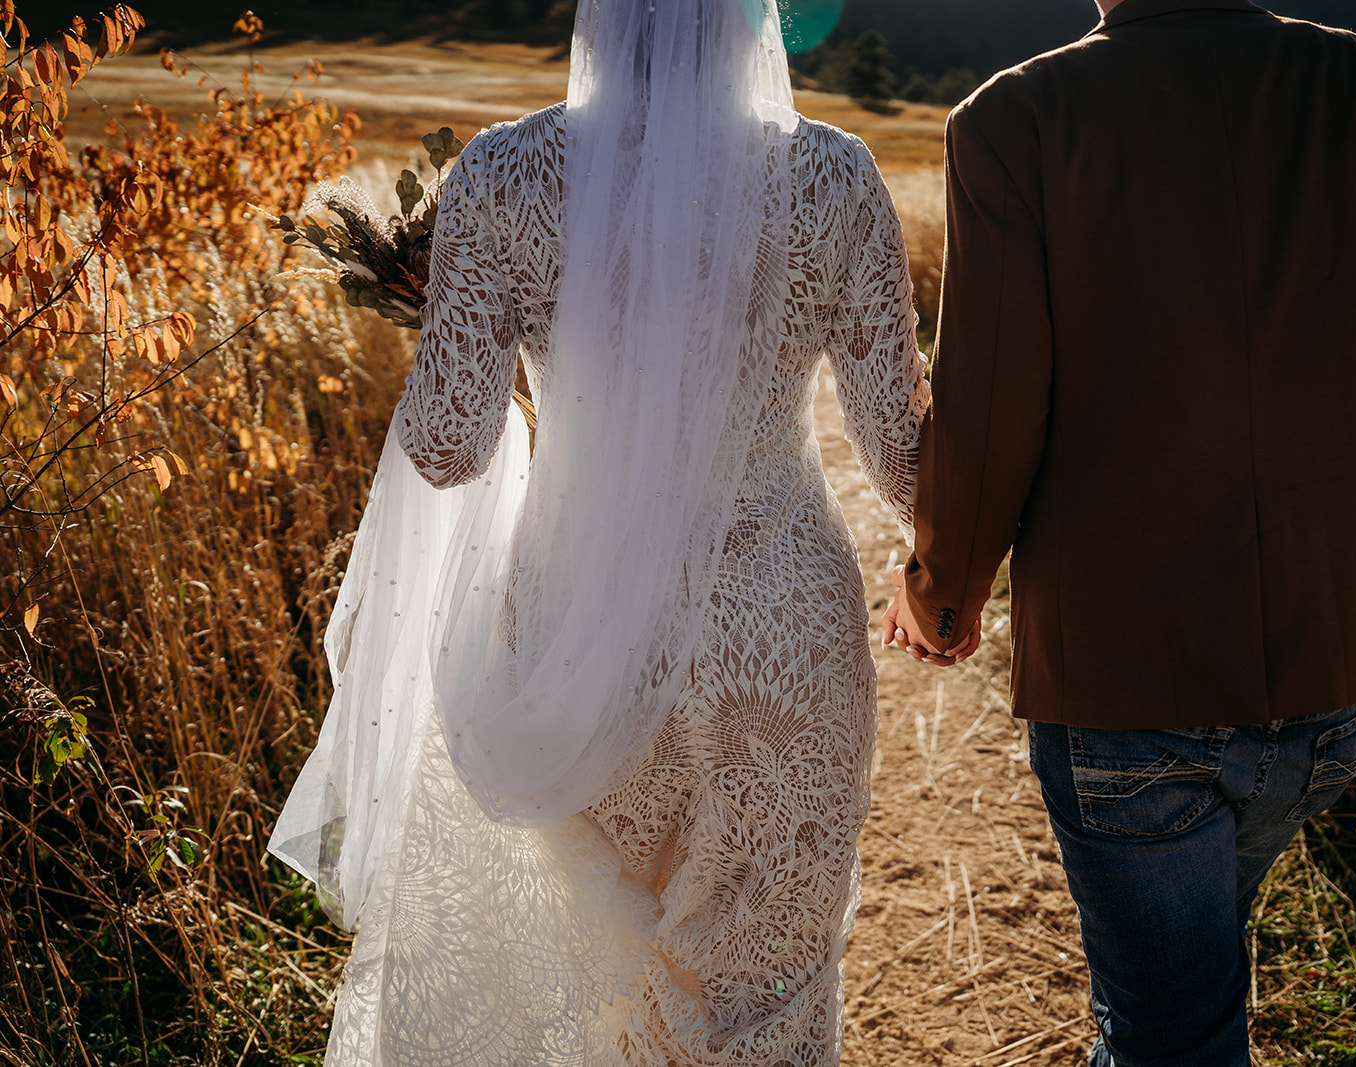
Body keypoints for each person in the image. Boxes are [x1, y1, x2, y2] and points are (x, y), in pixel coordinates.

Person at [881, 0, 1356, 1063]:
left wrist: (941, 592)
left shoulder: (1015, 117)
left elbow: (992, 407)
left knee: (1170, 1027)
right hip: (1328, 696)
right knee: (1184, 994)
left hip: (1121, 699)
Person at [268, 1, 928, 1063]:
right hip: (782, 631)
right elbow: (899, 458)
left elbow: (444, 445)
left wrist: (449, 310)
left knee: (611, 986)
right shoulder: (835, 176)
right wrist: (956, 560)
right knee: (771, 989)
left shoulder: (500, 174)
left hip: (582, 640)